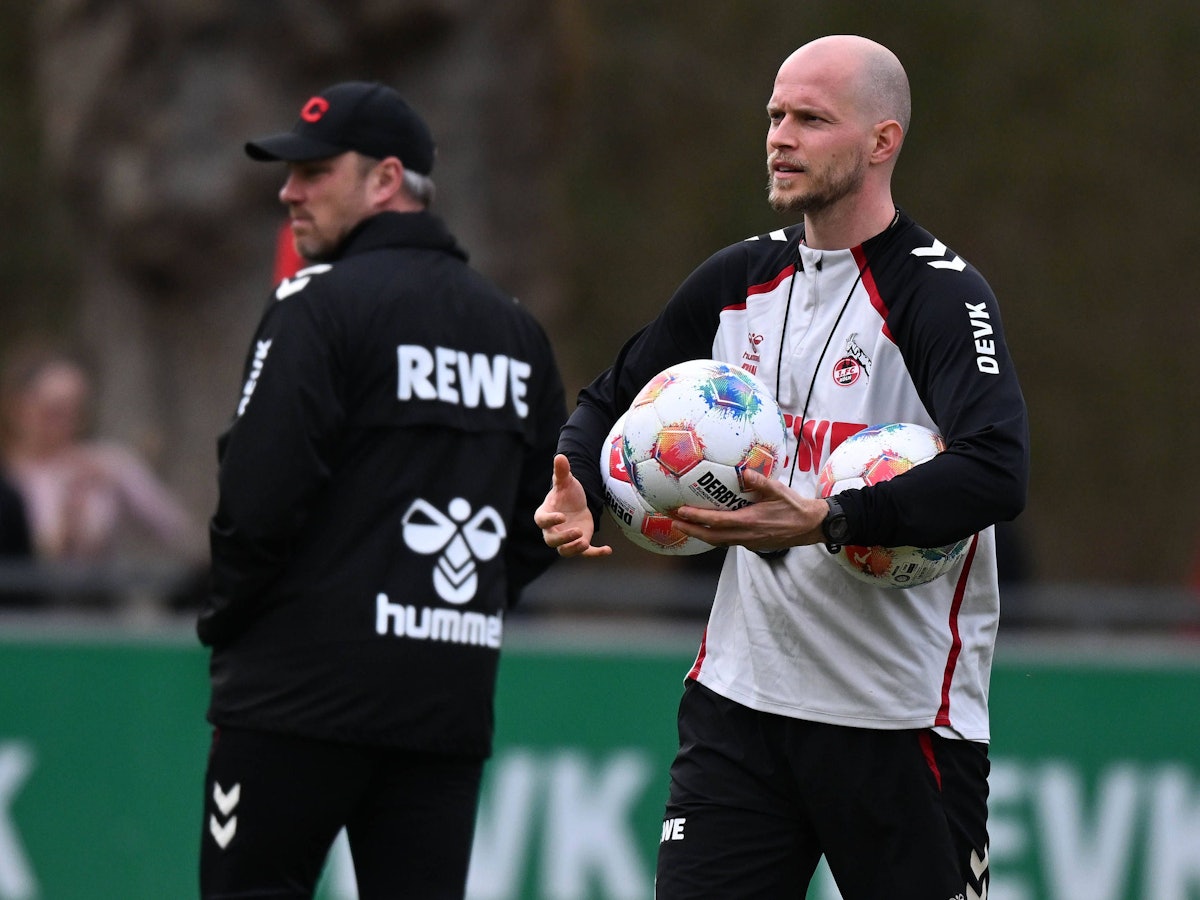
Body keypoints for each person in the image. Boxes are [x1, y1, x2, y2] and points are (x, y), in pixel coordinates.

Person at [536, 35, 1028, 899]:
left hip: (899, 721)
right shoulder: (739, 278)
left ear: (882, 141)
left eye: (810, 118)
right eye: (774, 116)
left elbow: (997, 472)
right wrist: (577, 478)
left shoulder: (940, 296)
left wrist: (832, 519)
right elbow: (612, 394)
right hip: (739, 708)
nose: (780, 137)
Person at [197, 81, 566, 899]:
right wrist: (463, 605)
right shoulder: (514, 327)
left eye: (315, 171)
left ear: (385, 179)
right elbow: (552, 509)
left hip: (295, 697)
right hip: (443, 700)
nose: (290, 190)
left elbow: (256, 497)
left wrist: (226, 621)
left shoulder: (316, 305)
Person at [0, 346, 196, 567]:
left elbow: (177, 531)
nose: (66, 425)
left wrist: (122, 481)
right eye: (53, 412)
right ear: (18, 408)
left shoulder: (106, 463)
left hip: (98, 597)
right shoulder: (9, 477)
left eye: (75, 412)